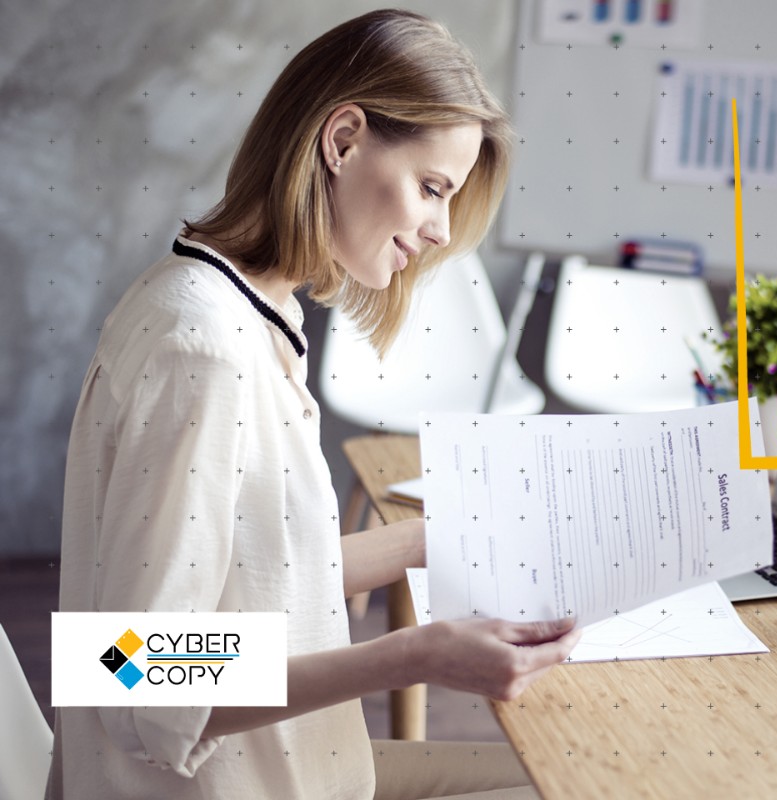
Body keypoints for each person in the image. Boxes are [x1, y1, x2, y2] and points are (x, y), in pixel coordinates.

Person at [49, 10, 580, 799]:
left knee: (578, 779)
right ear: (341, 140)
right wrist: (417, 656)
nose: (439, 230)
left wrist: (431, 541)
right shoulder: (203, 350)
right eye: (432, 188)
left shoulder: (239, 310)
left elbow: (263, 578)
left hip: (301, 769)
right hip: (231, 785)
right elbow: (132, 666)